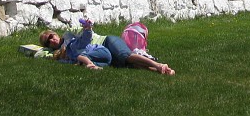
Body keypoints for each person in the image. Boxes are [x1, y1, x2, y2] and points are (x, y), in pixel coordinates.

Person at [39, 20, 175, 75]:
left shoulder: (68, 34)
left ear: (55, 33)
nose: (52, 40)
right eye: (48, 41)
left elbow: (83, 31)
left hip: (105, 42)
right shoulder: (58, 52)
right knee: (128, 64)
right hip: (99, 54)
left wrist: (86, 27)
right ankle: (158, 71)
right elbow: (40, 54)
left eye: (51, 36)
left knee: (125, 56)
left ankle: (157, 65)